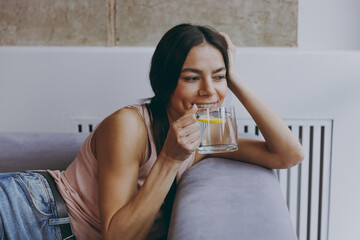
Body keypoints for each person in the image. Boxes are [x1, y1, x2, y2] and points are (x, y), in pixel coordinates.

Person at [0, 23, 304, 240]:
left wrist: (234, 77)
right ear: (165, 82)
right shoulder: (129, 125)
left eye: (218, 77)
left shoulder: (206, 134)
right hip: (25, 208)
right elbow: (117, 235)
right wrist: (170, 159)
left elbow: (289, 153)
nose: (209, 91)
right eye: (192, 78)